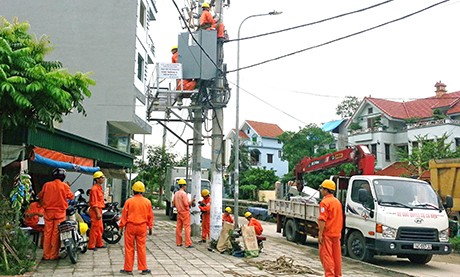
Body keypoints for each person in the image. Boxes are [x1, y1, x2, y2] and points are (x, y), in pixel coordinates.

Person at [37, 168, 74, 260]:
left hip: (48, 212)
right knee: (56, 233)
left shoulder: (47, 185)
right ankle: (53, 255)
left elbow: (39, 196)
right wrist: (68, 186)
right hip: (60, 213)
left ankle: (46, 255)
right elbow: (71, 197)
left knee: (47, 233)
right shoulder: (64, 186)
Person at [119, 181, 154, 275]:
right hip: (142, 227)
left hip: (130, 227)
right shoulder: (147, 202)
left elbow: (124, 216)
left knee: (129, 248)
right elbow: (150, 216)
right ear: (142, 191)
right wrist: (150, 228)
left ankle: (128, 268)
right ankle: (143, 268)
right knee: (141, 247)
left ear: (133, 190)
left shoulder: (129, 201)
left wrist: (121, 227)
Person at [318, 179, 343, 277]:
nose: (320, 190)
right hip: (336, 233)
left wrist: (320, 233)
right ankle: (337, 274)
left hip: (327, 233)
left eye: (321, 188)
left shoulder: (324, 202)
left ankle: (329, 275)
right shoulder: (337, 202)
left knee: (326, 255)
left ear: (326, 190)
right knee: (336, 255)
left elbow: (322, 219)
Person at [173, 178, 194, 248]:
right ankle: (188, 243)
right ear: (183, 186)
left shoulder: (176, 194)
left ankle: (178, 242)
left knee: (179, 228)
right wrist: (191, 201)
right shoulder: (183, 194)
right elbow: (186, 204)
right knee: (187, 228)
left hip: (179, 212)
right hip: (185, 212)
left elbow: (174, 203)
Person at [88, 171, 106, 250]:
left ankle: (99, 243)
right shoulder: (94, 189)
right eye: (101, 178)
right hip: (95, 211)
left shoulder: (99, 188)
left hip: (99, 210)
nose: (103, 179)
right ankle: (91, 245)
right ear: (97, 179)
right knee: (94, 228)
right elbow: (94, 202)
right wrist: (98, 213)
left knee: (100, 228)